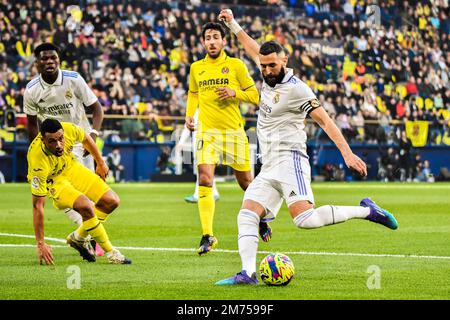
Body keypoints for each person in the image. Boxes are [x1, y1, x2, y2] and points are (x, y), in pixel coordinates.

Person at [215, 9, 398, 285]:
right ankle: (248, 274)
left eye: (271, 66)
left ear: (284, 61)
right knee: (247, 213)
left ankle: (368, 211)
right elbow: (251, 45)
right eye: (263, 66)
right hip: (268, 165)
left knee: (305, 220)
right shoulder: (266, 71)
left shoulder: (298, 89)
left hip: (291, 160)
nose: (266, 71)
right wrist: (232, 24)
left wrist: (347, 153)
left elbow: (324, 120)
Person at [184, 22, 271, 255]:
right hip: (207, 132)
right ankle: (207, 236)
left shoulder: (235, 65)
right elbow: (193, 93)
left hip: (234, 132)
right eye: (207, 38)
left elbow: (255, 95)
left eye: (215, 37)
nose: (211, 41)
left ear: (224, 41)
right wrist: (189, 115)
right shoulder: (196, 68)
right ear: (203, 42)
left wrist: (235, 93)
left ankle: (261, 219)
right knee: (204, 179)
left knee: (246, 184)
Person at [23, 43, 105, 256]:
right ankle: (90, 238)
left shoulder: (74, 79)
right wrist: (39, 152)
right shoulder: (32, 90)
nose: (50, 62)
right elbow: (32, 125)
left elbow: (97, 108)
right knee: (70, 193)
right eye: (45, 59)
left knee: (94, 196)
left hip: (81, 142)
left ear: (58, 61)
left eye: (53, 58)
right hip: (54, 147)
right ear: (37, 63)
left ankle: (82, 236)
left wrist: (93, 136)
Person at [28, 118, 131, 265]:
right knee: (85, 206)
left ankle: (78, 237)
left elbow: (86, 139)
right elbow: (37, 206)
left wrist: (100, 162)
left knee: (111, 201)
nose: (58, 145)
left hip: (72, 168)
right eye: (52, 141)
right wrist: (40, 243)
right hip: (56, 181)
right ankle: (112, 252)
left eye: (60, 139)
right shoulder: (37, 160)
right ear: (43, 140)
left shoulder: (68, 129)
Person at [177, 109, 220, 203]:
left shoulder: (199, 110)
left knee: (201, 168)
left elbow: (187, 128)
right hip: (204, 142)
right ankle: (215, 192)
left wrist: (181, 142)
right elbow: (188, 127)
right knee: (207, 168)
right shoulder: (202, 110)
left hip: (203, 143)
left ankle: (197, 195)